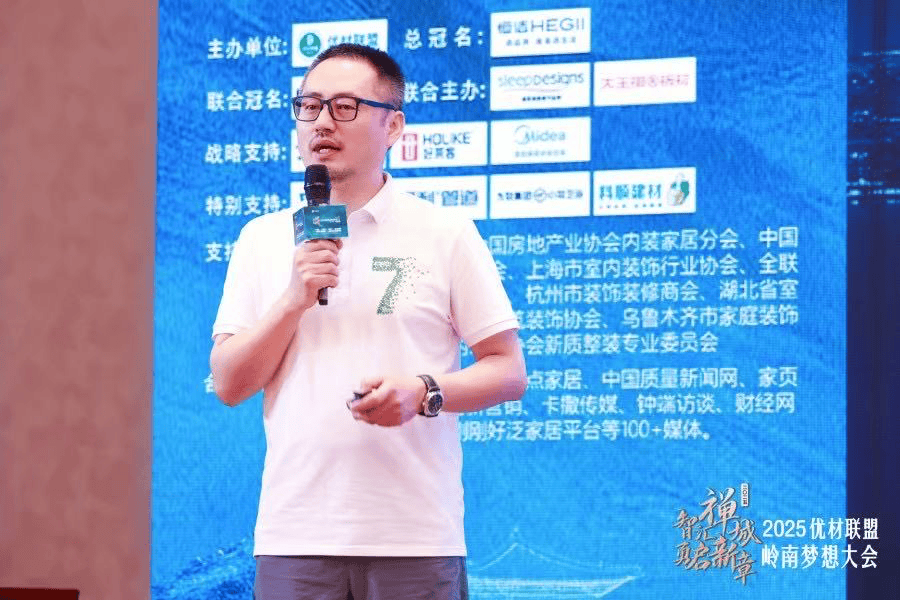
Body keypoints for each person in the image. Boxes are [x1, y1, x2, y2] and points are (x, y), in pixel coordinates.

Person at [210, 43, 526, 600]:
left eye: (344, 106)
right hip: (295, 537)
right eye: (309, 106)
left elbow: (508, 371)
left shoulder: (445, 232)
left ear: (393, 125)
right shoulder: (261, 239)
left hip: (415, 537)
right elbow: (230, 383)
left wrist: (424, 392)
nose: (321, 122)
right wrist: (293, 298)